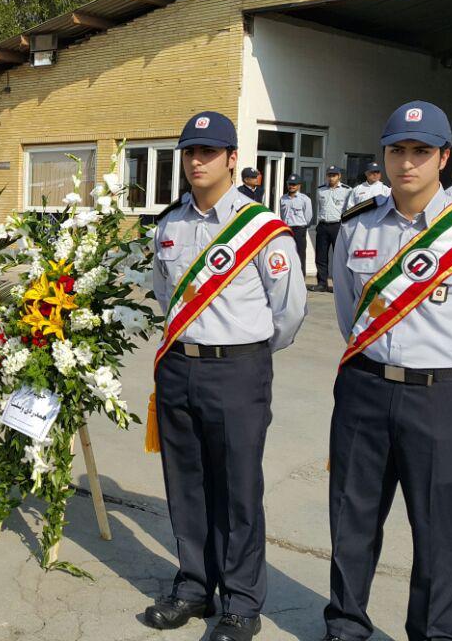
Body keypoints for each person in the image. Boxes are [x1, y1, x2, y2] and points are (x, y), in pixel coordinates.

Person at [322, 101, 452, 641]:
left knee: (440, 527)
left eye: (421, 151)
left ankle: (436, 633)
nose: (407, 162)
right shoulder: (356, 230)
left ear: (443, 158)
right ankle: (345, 625)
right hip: (365, 388)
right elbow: (348, 312)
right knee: (352, 516)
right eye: (397, 151)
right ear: (384, 156)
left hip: (442, 397)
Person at [147, 111, 307, 641]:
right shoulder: (169, 225)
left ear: (232, 159)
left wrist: (247, 352)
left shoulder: (262, 229)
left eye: (208, 152)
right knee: (186, 485)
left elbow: (288, 312)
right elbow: (166, 297)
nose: (197, 161)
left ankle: (241, 602)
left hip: (237, 369)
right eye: (190, 151)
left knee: (238, 489)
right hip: (179, 366)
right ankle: (194, 586)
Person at [314, 166, 351, 292]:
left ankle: (339, 285)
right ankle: (322, 283)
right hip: (323, 225)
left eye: (334, 175)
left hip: (338, 226)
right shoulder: (320, 190)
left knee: (339, 257)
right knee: (321, 256)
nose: (331, 177)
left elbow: (349, 210)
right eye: (329, 175)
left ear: (339, 176)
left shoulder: (347, 190)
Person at [279, 175, 312, 275]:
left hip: (299, 229)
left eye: (294, 185)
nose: (291, 186)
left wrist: (303, 227)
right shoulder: (283, 198)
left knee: (300, 254)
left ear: (299, 186)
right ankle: (290, 277)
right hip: (287, 229)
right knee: (287, 253)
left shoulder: (305, 199)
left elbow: (308, 216)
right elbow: (282, 214)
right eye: (290, 184)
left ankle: (301, 277)